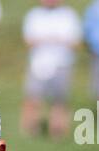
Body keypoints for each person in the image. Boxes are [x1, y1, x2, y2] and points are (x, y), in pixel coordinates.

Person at [21, 0, 82, 137]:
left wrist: (54, 40)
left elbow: (75, 41)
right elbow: (28, 40)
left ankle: (58, 131)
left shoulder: (68, 15)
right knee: (33, 98)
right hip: (38, 63)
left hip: (62, 63)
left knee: (60, 99)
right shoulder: (34, 15)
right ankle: (31, 131)